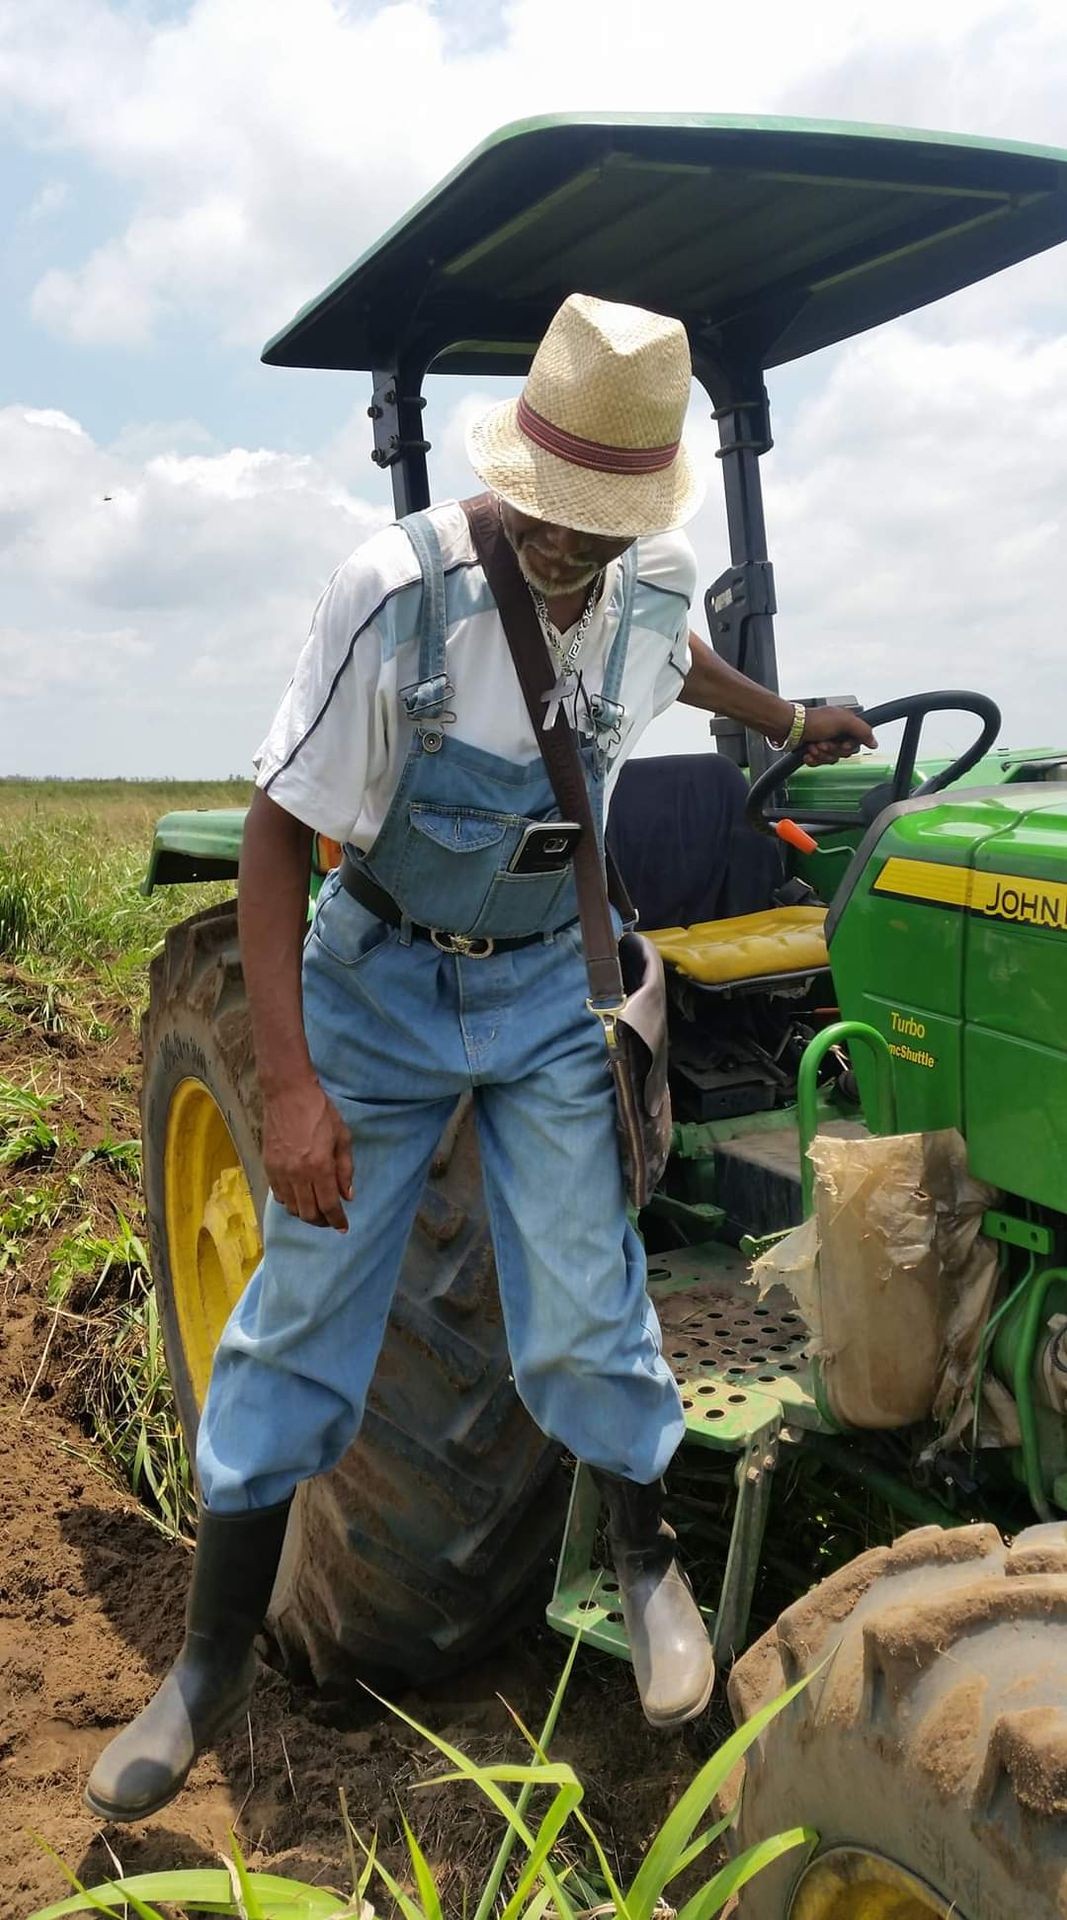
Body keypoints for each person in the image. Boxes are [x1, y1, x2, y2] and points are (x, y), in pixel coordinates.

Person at [85, 293, 872, 1824]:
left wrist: (791, 714)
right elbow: (273, 829)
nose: (570, 550)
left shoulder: (646, 583)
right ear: (514, 475)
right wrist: (297, 1084)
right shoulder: (394, 598)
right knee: (306, 1318)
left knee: (590, 1281)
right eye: (553, 519)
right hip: (376, 988)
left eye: (600, 525)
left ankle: (648, 1567)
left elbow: (687, 659)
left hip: (533, 988)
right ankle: (208, 1666)